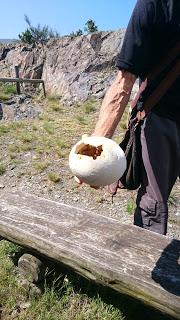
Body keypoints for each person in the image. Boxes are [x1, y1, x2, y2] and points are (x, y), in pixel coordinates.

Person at [77, 0, 180, 235]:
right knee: (153, 205)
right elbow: (124, 84)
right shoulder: (155, 4)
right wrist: (94, 152)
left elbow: (124, 84)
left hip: (160, 119)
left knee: (153, 205)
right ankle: (143, 265)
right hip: (160, 118)